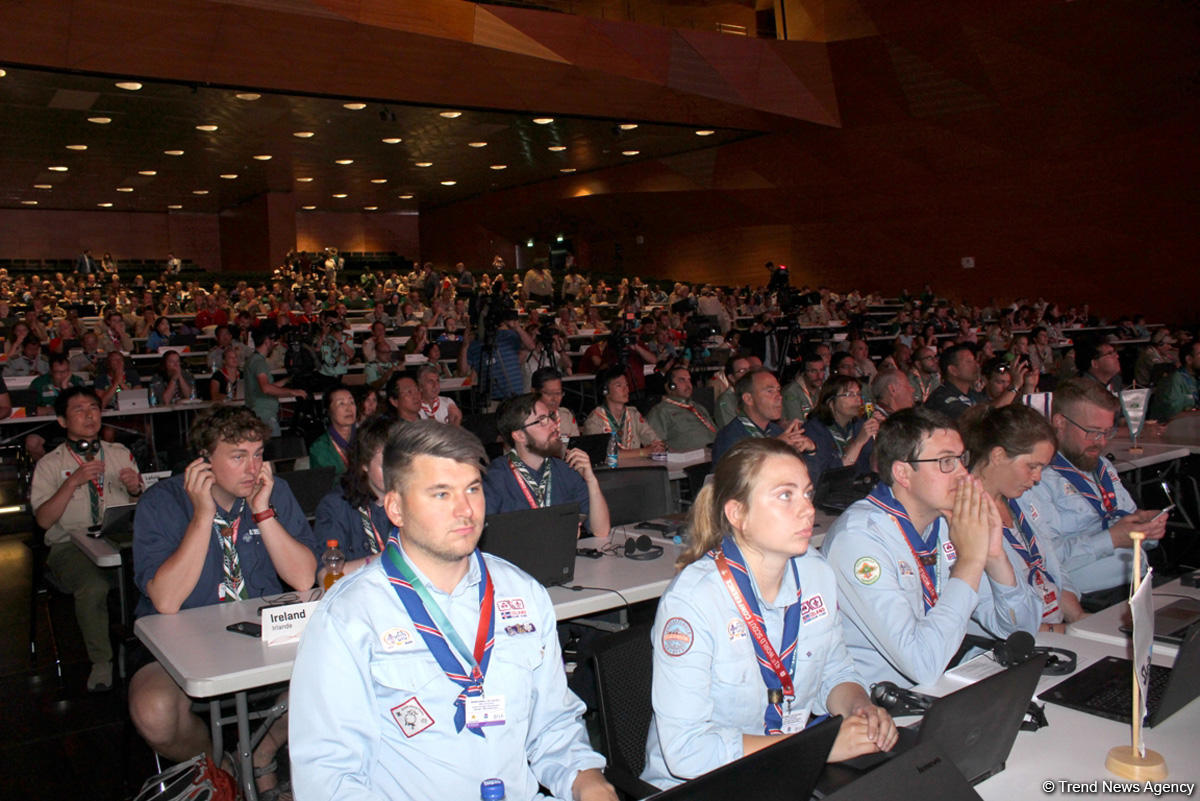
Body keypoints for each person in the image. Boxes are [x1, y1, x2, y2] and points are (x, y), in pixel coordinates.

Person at [289, 420, 617, 801]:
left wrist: (588, 782)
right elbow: (330, 779)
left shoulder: (523, 593)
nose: (466, 510)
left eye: (473, 489)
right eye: (441, 494)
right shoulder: (348, 617)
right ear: (395, 507)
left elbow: (554, 728)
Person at [642, 438, 897, 790]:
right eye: (785, 495)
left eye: (807, 494)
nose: (807, 509)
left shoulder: (816, 573)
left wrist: (859, 708)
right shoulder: (693, 601)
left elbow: (835, 670)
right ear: (738, 514)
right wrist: (818, 748)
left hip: (788, 772)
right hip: (704, 787)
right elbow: (687, 751)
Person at [128, 406, 317, 799]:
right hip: (184, 639)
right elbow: (165, 600)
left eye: (258, 453)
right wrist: (202, 516)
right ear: (204, 462)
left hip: (263, 636)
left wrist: (263, 512)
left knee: (332, 672)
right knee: (154, 710)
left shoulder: (272, 491)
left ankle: (260, 751)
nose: (253, 467)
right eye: (238, 456)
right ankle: (220, 766)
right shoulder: (161, 503)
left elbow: (302, 577)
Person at [821, 407, 1041, 687]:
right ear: (903, 473)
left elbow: (1021, 631)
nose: (963, 473)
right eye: (946, 462)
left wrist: (995, 556)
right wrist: (971, 562)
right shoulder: (859, 539)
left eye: (962, 459)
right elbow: (922, 665)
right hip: (882, 707)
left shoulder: (947, 520)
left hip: (945, 684)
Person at [1015, 378, 1166, 608]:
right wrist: (1112, 539)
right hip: (1091, 599)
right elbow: (1042, 558)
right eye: (1093, 432)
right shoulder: (1036, 478)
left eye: (1108, 432)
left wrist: (1146, 529)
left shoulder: (1102, 466)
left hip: (1141, 583)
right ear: (1060, 423)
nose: (1102, 442)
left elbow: (1128, 523)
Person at [31, 387, 142, 692]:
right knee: (93, 588)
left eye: (93, 407)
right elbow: (43, 520)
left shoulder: (119, 453)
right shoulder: (50, 464)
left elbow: (141, 504)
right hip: (70, 544)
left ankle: (145, 650)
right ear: (62, 421)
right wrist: (73, 482)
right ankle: (102, 661)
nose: (89, 414)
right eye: (79, 410)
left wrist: (136, 489)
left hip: (118, 539)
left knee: (151, 578)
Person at [962, 404, 1085, 631]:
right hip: (1009, 643)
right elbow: (988, 614)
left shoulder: (1023, 499)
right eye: (1032, 466)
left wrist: (1080, 621)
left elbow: (1052, 569)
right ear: (998, 455)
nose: (1037, 478)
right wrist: (1060, 632)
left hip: (1053, 629)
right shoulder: (962, 516)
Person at [485, 394, 611, 538]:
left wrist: (591, 481)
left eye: (550, 417)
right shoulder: (494, 478)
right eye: (541, 421)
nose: (553, 424)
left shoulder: (566, 470)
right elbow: (488, 543)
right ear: (520, 436)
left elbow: (601, 531)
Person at [313, 415, 397, 581]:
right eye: (384, 466)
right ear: (364, 464)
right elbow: (325, 576)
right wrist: (388, 559)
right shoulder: (336, 506)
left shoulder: (418, 499)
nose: (394, 473)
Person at [711, 368, 814, 465]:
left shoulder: (776, 431)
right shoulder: (729, 438)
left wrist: (810, 450)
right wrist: (772, 447)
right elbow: (737, 479)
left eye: (778, 390)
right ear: (748, 399)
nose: (779, 397)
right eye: (770, 391)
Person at [803, 375, 879, 485]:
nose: (858, 399)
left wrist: (879, 436)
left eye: (858, 394)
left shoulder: (858, 424)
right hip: (830, 494)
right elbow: (828, 476)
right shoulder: (814, 430)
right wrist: (858, 443)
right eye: (849, 394)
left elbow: (874, 467)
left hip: (860, 489)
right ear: (831, 403)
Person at [581, 368, 664, 455]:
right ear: (605, 391)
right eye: (619, 386)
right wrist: (642, 452)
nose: (626, 390)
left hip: (636, 467)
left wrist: (657, 446)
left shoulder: (633, 414)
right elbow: (603, 455)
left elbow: (654, 440)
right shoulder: (595, 419)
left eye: (627, 385)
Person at [245, 321, 306, 435]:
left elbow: (265, 387)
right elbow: (266, 388)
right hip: (265, 416)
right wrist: (293, 392)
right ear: (267, 341)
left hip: (258, 414)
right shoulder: (259, 362)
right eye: (273, 341)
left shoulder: (252, 360)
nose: (274, 344)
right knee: (274, 450)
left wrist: (287, 380)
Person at [646, 366, 717, 452]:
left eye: (689, 380)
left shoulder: (698, 407)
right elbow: (655, 446)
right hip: (690, 460)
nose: (688, 385)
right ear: (670, 386)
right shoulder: (660, 411)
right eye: (682, 380)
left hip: (716, 452)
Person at [923, 344, 989, 420]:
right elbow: (972, 417)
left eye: (974, 360)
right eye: (969, 362)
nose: (976, 365)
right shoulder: (940, 398)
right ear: (953, 370)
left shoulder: (973, 394)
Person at [309, 385, 357, 475]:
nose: (349, 408)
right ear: (328, 411)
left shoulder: (367, 439)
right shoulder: (319, 448)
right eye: (341, 403)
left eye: (352, 402)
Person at [1152, 339, 1200, 420]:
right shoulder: (1173, 381)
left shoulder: (1196, 378)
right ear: (1189, 359)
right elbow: (1173, 417)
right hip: (1169, 429)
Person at [532, 366, 579, 437]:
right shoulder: (527, 419)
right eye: (549, 394)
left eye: (558, 393)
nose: (554, 399)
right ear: (534, 392)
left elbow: (574, 441)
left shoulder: (566, 415)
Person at [782, 351, 825, 422]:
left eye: (822, 370)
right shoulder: (791, 392)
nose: (819, 376)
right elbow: (797, 424)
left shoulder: (823, 390)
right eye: (813, 371)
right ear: (804, 372)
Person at [713, 354, 753, 428]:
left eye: (749, 369)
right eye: (742, 371)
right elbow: (732, 431)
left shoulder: (755, 394)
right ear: (732, 378)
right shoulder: (725, 402)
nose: (748, 374)